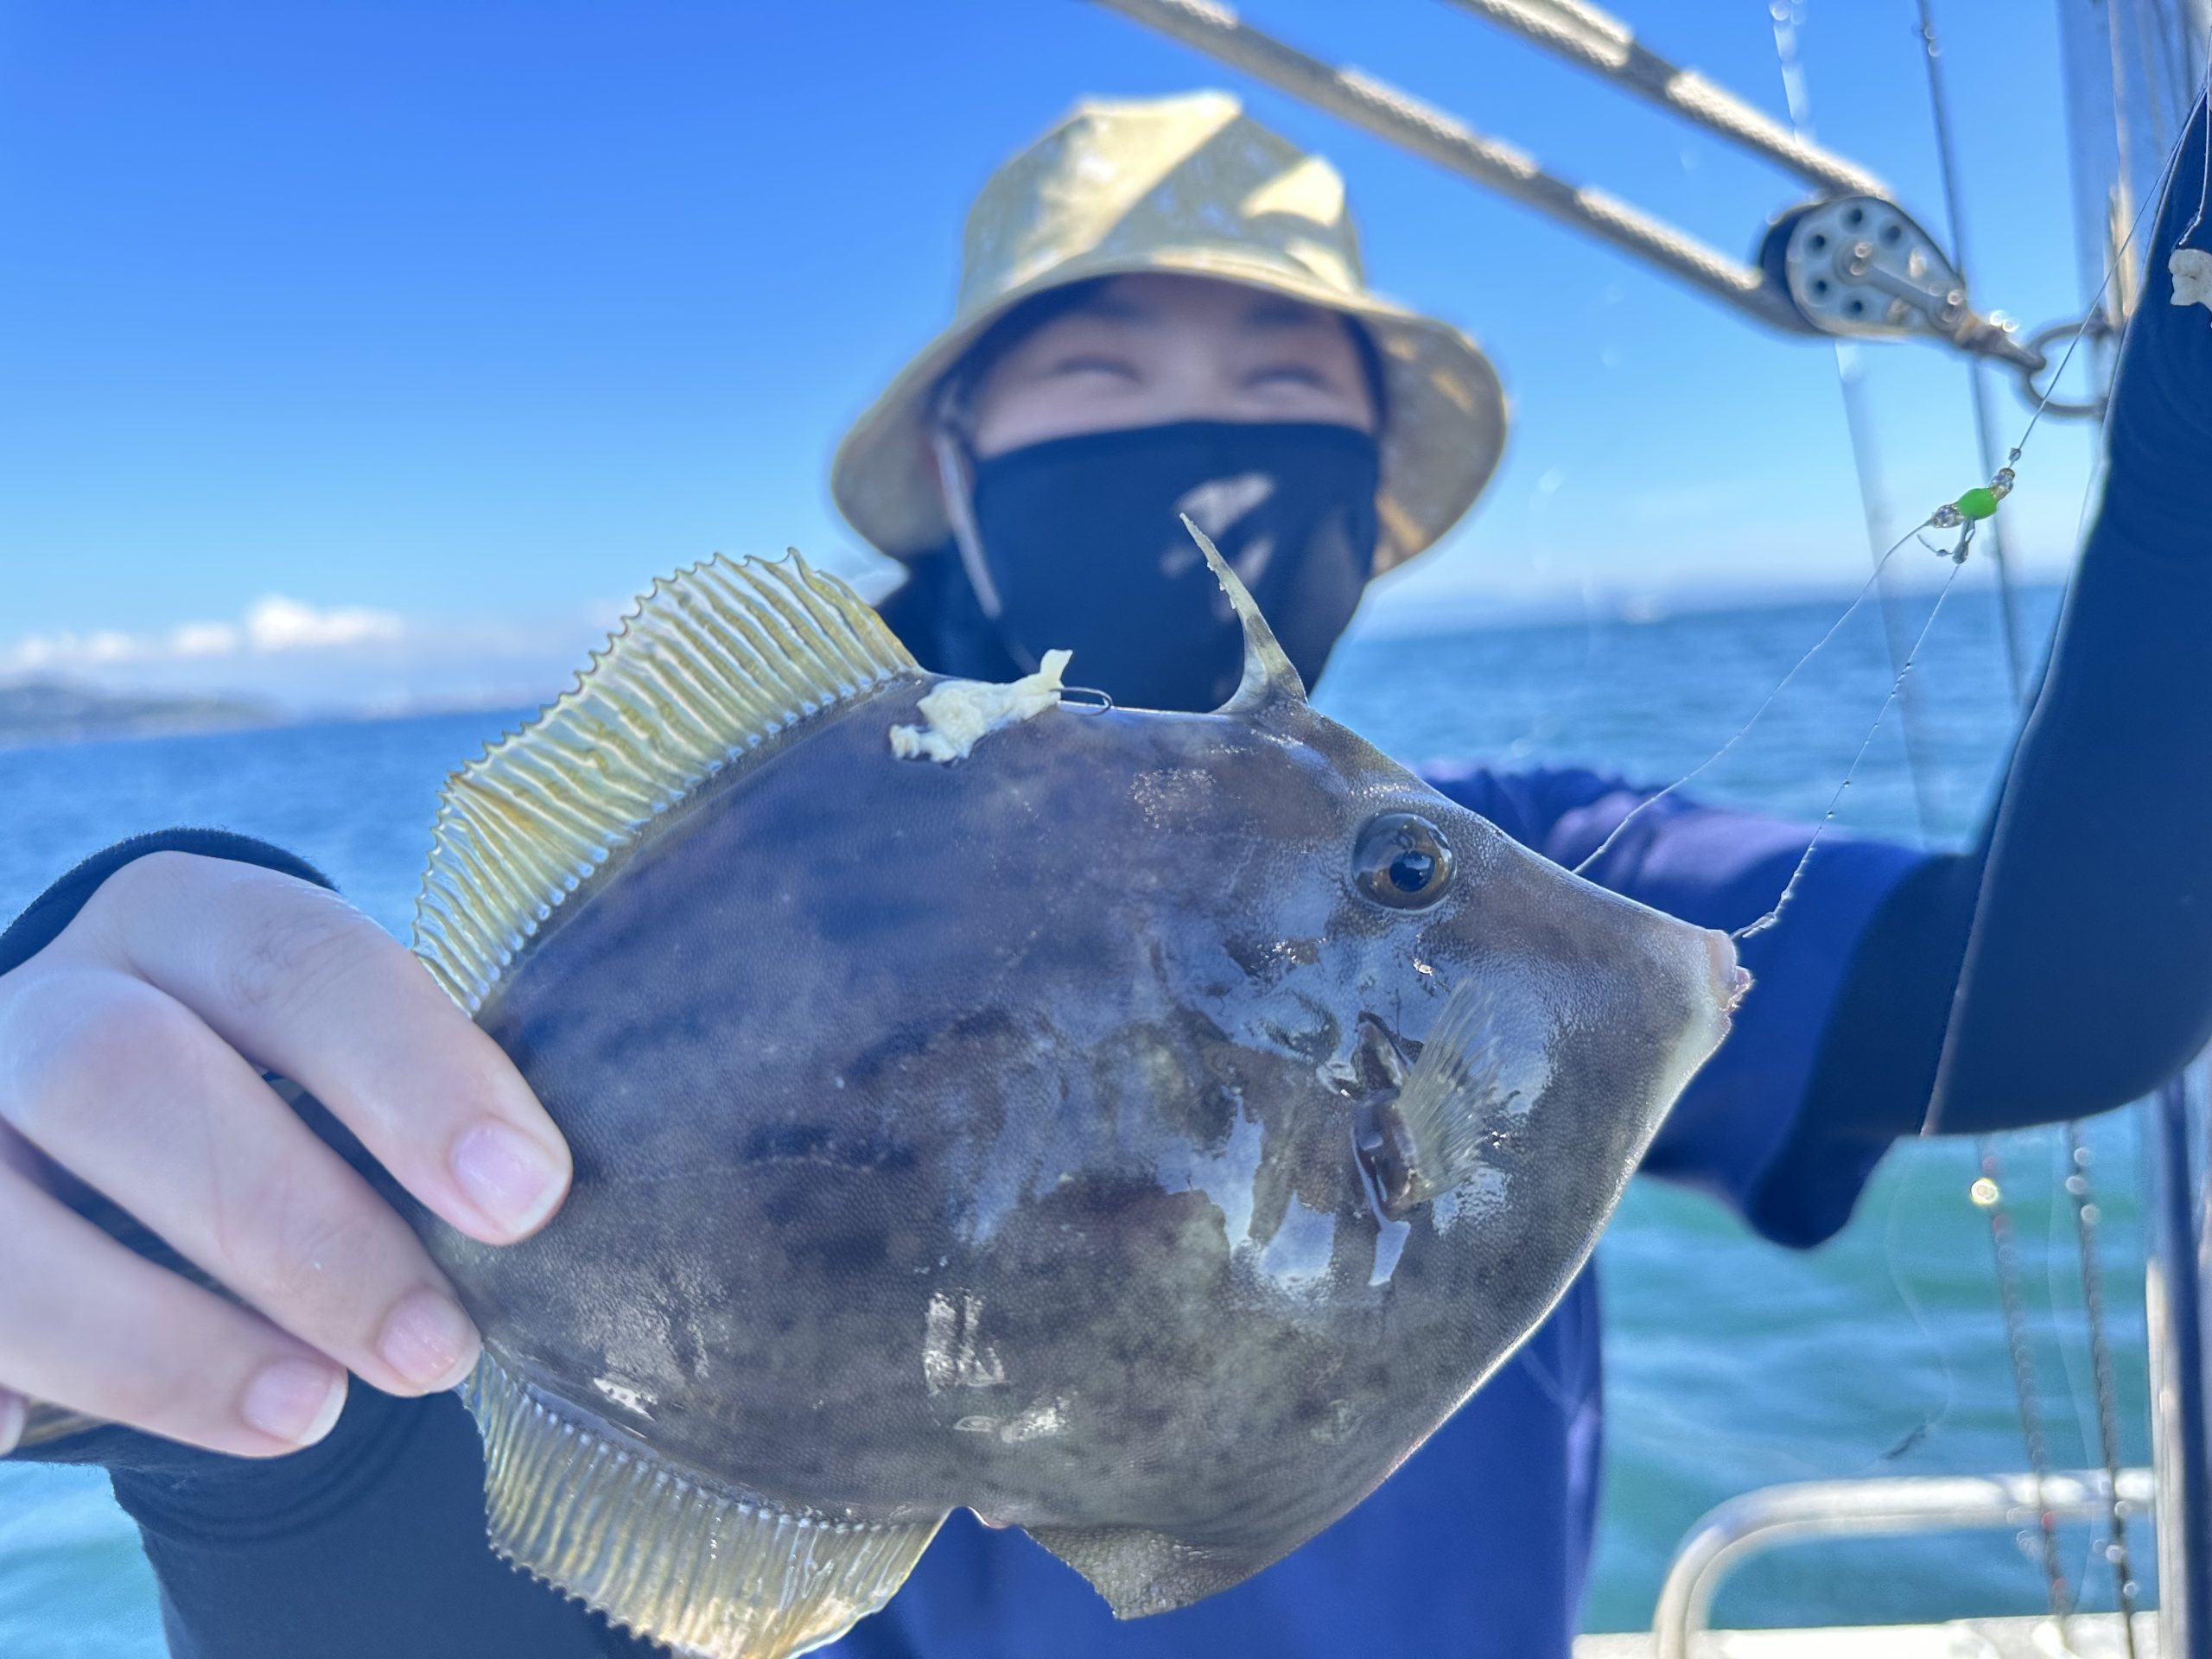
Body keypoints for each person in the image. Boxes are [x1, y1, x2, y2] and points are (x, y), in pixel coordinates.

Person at [2, 88, 2208, 1659]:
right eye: (1101, 366)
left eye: (1280, 372)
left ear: (1368, 472)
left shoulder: (1542, 843)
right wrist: (227, 1363)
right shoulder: (783, 862)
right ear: (951, 463)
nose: (1213, 441)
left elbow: (2069, 982)